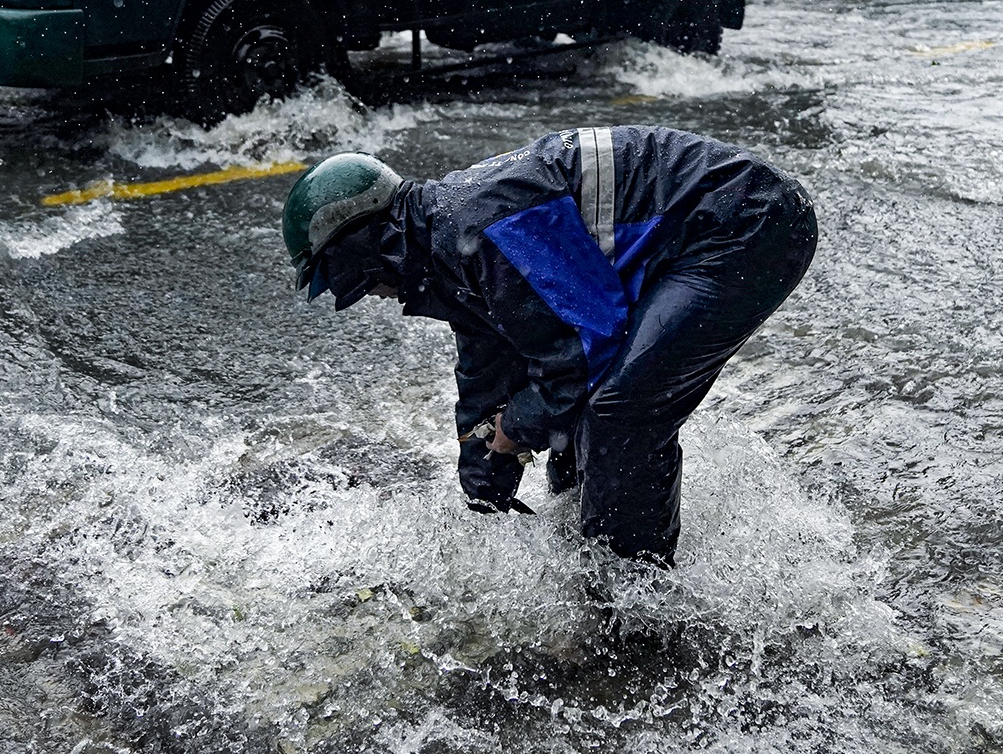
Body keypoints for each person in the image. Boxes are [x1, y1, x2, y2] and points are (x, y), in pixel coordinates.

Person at [282, 128, 818, 566]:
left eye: (354, 282)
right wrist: (481, 476)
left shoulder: (480, 225)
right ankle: (595, 543)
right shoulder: (447, 243)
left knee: (618, 412)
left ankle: (634, 600)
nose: (368, 296)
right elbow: (486, 364)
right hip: (704, 228)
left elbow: (584, 354)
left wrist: (512, 433)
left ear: (368, 246)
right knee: (573, 420)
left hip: (747, 223)